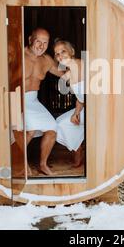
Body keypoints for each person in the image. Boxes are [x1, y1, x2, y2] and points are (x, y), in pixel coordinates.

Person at [14, 27, 63, 176]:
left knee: (52, 129)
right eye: (38, 41)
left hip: (33, 100)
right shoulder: (17, 56)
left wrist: (79, 69)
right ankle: (21, 164)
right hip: (17, 98)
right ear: (30, 39)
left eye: (45, 43)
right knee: (29, 130)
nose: (41, 46)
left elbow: (63, 74)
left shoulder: (46, 60)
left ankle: (42, 164)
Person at [53, 39, 85, 167]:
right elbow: (80, 98)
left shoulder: (83, 65)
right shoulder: (70, 72)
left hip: (97, 111)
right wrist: (76, 113)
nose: (60, 56)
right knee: (58, 123)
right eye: (57, 54)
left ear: (72, 52)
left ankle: (78, 150)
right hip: (84, 108)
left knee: (62, 124)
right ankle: (78, 148)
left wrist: (78, 113)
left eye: (63, 51)